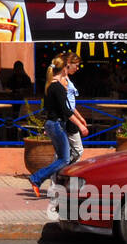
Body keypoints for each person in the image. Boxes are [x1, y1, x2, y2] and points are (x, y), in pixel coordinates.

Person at [29, 55, 86, 197]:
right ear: (64, 69)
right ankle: (37, 178)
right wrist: (80, 124)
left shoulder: (50, 85)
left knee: (61, 157)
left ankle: (57, 185)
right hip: (57, 125)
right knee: (64, 159)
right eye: (68, 67)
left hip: (52, 124)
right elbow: (66, 110)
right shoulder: (58, 87)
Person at [64, 53, 90, 163]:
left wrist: (80, 118)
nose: (78, 68)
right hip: (67, 118)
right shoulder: (63, 80)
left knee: (64, 152)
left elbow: (70, 104)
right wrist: (79, 123)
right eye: (77, 65)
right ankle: (69, 177)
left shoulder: (67, 79)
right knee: (77, 150)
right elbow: (65, 105)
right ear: (69, 64)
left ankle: (58, 178)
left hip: (70, 117)